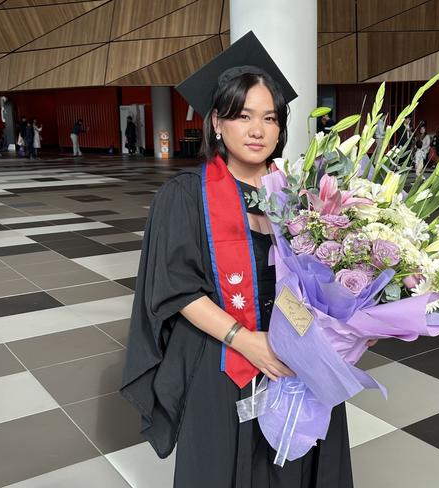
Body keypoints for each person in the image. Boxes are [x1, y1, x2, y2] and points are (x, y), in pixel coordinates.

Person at [120, 32, 353, 488]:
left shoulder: (303, 196)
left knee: (296, 464)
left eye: (269, 118)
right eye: (242, 116)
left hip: (297, 354)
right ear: (217, 124)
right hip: (221, 355)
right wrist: (247, 342)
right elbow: (176, 288)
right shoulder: (185, 197)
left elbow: (330, 282)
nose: (257, 130)